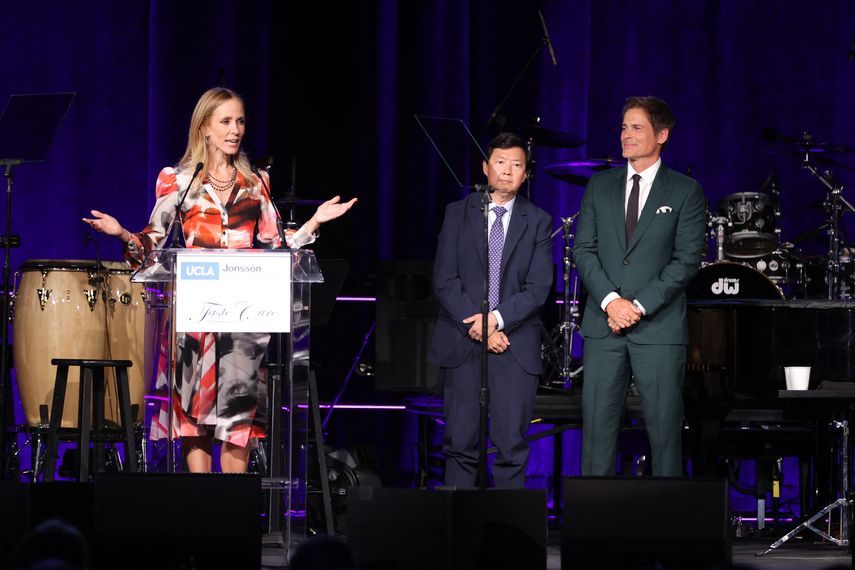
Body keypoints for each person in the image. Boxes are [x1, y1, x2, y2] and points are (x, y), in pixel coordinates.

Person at [82, 87, 356, 473]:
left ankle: (233, 515)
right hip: (194, 326)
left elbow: (277, 248)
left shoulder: (255, 182)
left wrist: (314, 223)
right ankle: (201, 515)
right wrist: (124, 234)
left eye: (240, 121)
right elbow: (153, 244)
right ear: (205, 128)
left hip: (245, 325)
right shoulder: (177, 181)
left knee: (238, 421)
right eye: (226, 121)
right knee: (195, 420)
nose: (235, 130)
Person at [574, 96, 707, 477]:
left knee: (665, 433)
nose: (626, 135)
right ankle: (595, 524)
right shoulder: (600, 186)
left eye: (637, 128)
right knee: (598, 432)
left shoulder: (685, 191)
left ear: (662, 134)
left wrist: (638, 306)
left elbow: (686, 260)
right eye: (623, 127)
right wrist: (612, 302)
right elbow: (583, 249)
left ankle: (668, 530)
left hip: (658, 328)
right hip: (604, 327)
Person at [429, 132, 553, 488]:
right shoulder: (457, 213)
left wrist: (496, 321)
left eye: (517, 165)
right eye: (500, 162)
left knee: (512, 448)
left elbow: (538, 287)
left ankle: (508, 539)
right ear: (485, 167)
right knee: (460, 446)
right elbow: (444, 279)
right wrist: (479, 326)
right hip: (463, 341)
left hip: (513, 346)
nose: (507, 171)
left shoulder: (539, 221)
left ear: (526, 174)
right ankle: (457, 537)